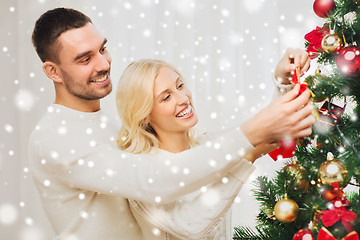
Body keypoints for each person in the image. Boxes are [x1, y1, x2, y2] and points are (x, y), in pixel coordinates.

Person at [28, 7, 314, 240]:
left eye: (103, 49)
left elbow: (202, 155)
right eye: (84, 58)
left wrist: (283, 83)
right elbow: (154, 182)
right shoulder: (56, 139)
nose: (103, 64)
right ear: (53, 71)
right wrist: (250, 139)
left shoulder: (106, 124)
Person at [116, 58, 283, 239]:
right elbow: (189, 226)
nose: (183, 98)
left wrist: (284, 81)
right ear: (144, 115)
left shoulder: (209, 146)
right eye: (166, 97)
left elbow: (264, 128)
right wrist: (247, 158)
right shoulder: (142, 172)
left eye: (180, 86)